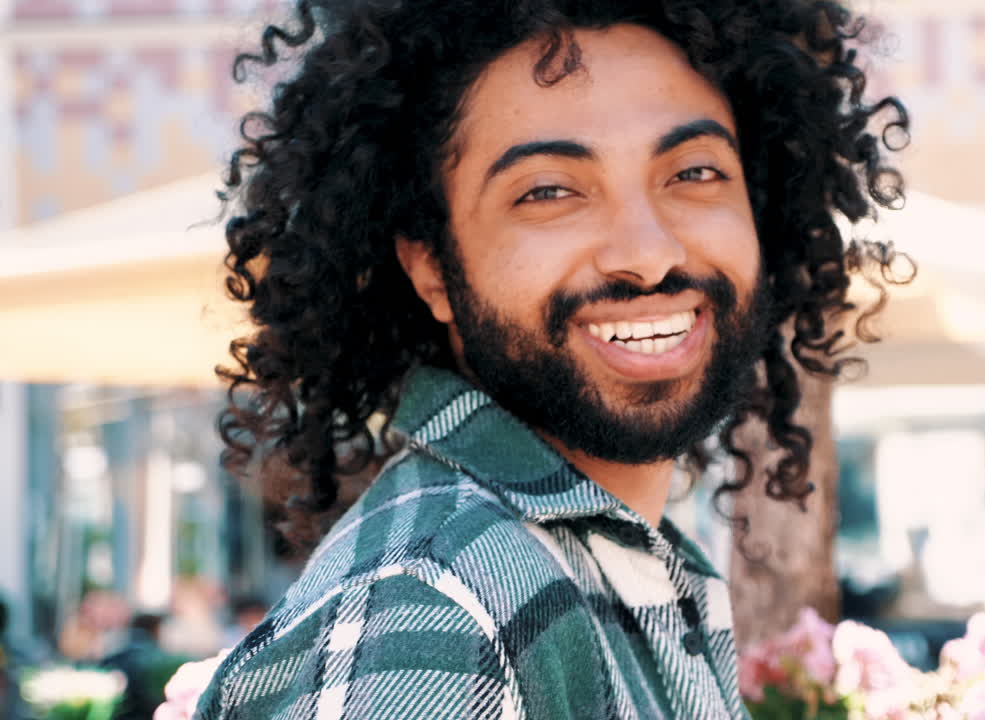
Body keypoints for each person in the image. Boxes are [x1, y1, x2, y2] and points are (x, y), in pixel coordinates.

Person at [199, 1, 907, 718]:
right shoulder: (435, 609)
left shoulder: (610, 565)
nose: (649, 254)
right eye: (548, 191)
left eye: (694, 172)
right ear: (432, 269)